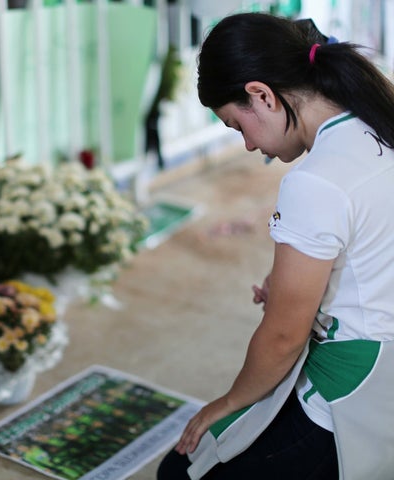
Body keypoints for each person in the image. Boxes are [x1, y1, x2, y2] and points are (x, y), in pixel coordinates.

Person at [157, 12, 394, 480]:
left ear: (261, 94)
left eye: (235, 125)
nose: (246, 145)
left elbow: (284, 338)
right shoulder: (378, 120)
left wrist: (225, 404)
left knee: (182, 469)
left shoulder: (316, 181)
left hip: (361, 392)